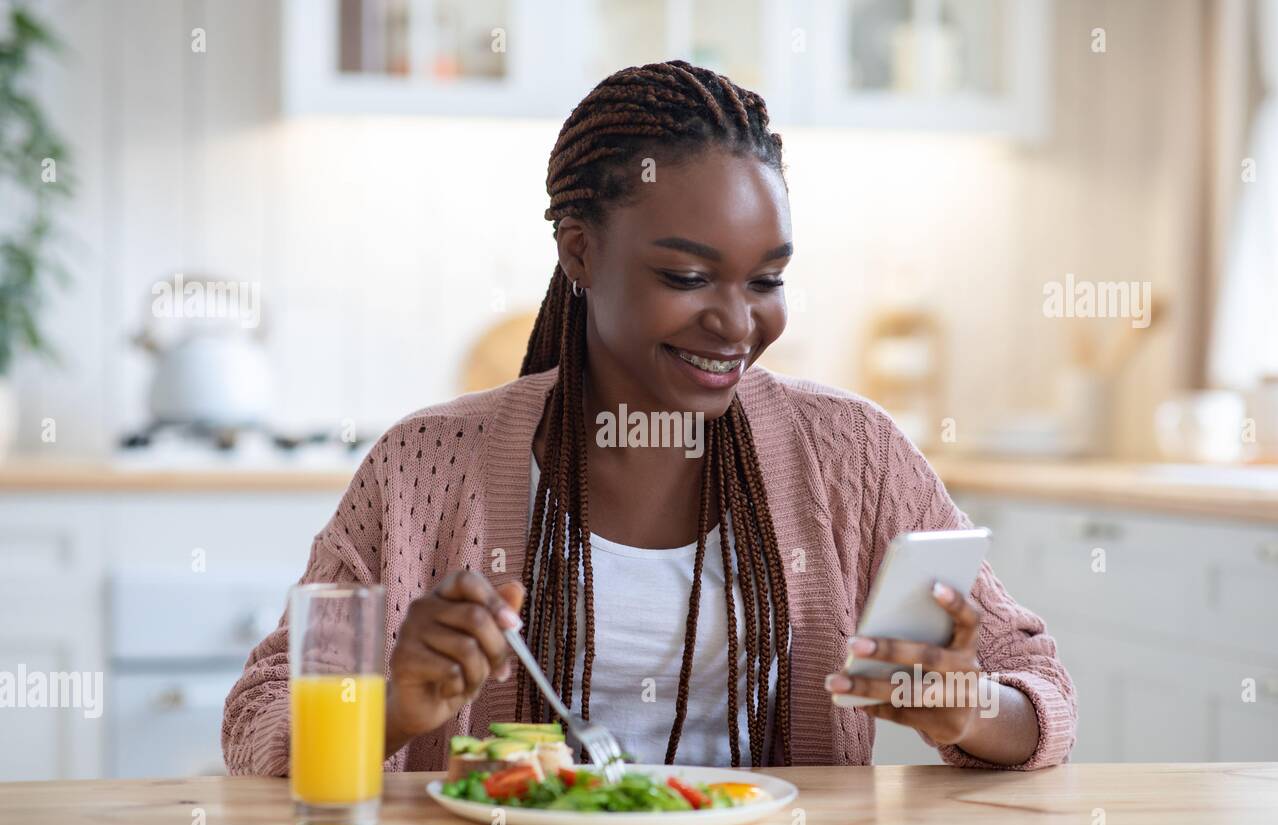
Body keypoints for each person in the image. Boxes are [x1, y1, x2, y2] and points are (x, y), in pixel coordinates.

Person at [222, 60, 1076, 775]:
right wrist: (384, 711)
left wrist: (961, 708)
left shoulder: (853, 452)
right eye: (688, 277)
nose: (738, 324)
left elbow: (1038, 694)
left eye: (766, 280)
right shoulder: (425, 465)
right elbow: (259, 724)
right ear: (580, 251)